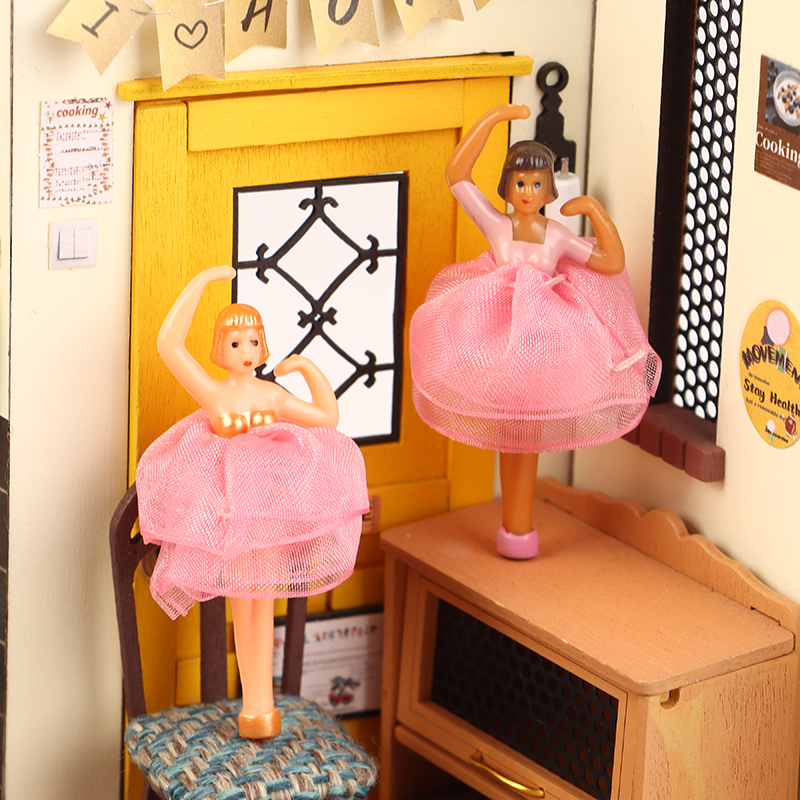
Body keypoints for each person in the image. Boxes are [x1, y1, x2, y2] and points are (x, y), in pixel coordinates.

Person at [409, 104, 660, 560]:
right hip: (497, 338)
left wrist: (594, 210)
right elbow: (457, 175)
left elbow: (611, 263)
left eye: (537, 184)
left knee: (529, 437)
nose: (528, 192)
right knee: (511, 435)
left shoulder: (557, 235)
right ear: (507, 187)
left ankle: (518, 529)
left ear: (549, 190)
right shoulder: (497, 224)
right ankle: (516, 528)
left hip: (543, 345)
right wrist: (493, 119)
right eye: (520, 183)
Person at [136, 265, 369, 739]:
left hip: (272, 519)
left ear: (263, 347)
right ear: (220, 349)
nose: (246, 351)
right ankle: (257, 706)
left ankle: (261, 705)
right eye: (236, 342)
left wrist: (306, 367)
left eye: (253, 341)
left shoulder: (271, 394)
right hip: (229, 521)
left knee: (265, 604)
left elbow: (326, 418)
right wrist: (200, 283)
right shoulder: (214, 393)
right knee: (245, 607)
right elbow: (169, 346)